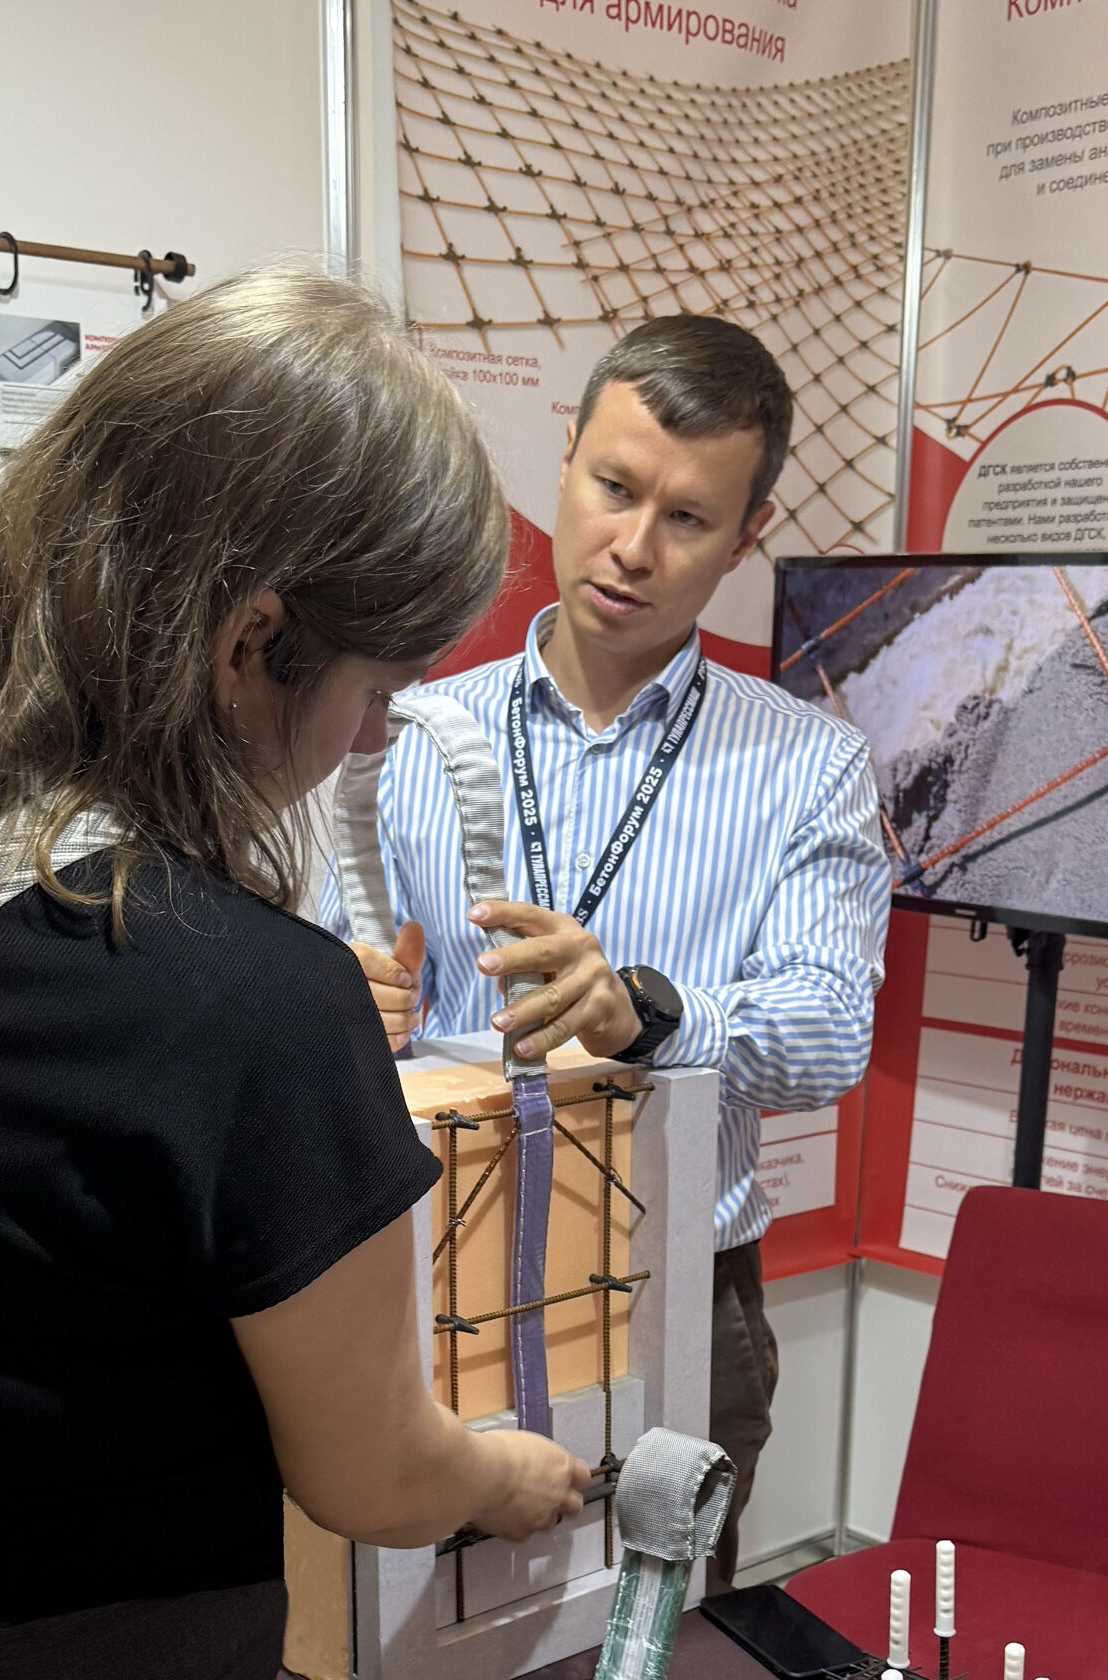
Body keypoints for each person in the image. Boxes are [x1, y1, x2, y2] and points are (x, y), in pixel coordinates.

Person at [0, 270, 587, 1680]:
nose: (370, 741)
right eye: (377, 693)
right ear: (252, 645)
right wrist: (504, 1476)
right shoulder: (257, 1004)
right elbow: (376, 1476)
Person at [319, 314, 890, 1593]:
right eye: (615, 488)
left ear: (748, 534)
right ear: (566, 455)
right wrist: (336, 1000)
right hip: (421, 1265)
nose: (634, 548)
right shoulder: (405, 731)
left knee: (654, 1636)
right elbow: (312, 960)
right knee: (419, 1634)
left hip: (682, 1284)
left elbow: (829, 1032)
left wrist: (649, 1014)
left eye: (687, 519)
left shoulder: (809, 766)